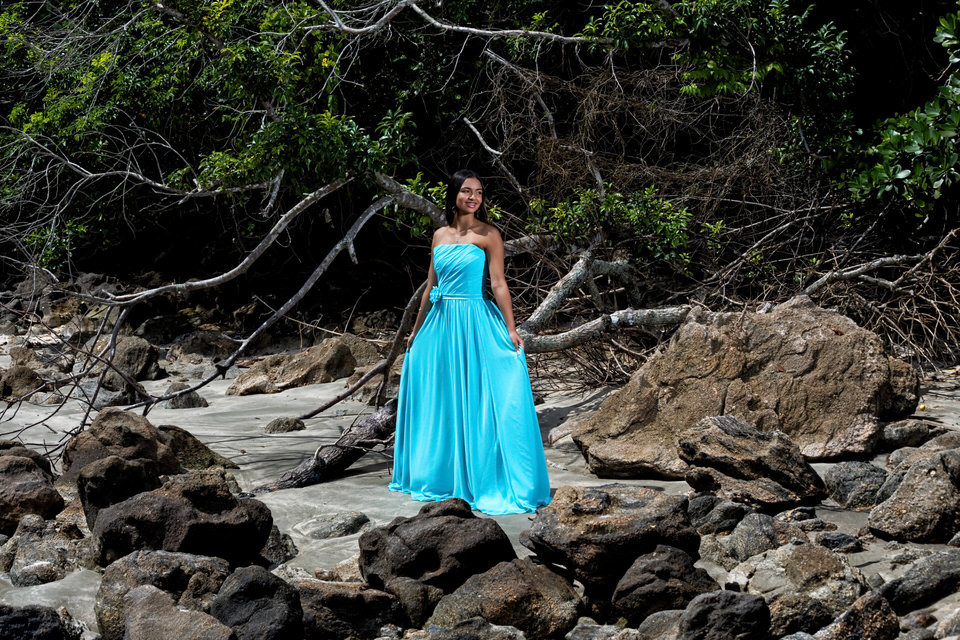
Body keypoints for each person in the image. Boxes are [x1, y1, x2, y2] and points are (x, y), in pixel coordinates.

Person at [388, 169, 552, 515]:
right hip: (441, 324)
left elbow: (498, 284)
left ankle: (486, 475)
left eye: (478, 192)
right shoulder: (439, 235)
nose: (473, 197)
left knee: (480, 395)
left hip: (475, 320)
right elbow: (431, 288)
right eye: (466, 191)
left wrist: (510, 328)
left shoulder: (490, 234)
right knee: (442, 397)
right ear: (454, 196)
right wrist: (416, 331)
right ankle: (441, 473)